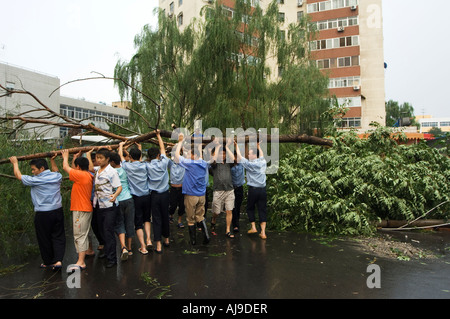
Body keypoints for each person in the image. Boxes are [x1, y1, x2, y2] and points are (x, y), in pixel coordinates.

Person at [9, 155, 65, 270]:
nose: (33, 172)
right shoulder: (57, 177)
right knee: (58, 236)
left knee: (44, 238)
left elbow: (18, 176)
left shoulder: (36, 180)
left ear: (42, 169)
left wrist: (15, 163)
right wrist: (52, 160)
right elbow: (56, 170)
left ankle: (48, 262)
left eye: (34, 169)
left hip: (43, 214)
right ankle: (58, 261)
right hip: (57, 211)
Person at [60, 150, 93, 271]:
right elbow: (73, 169)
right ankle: (84, 256)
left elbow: (65, 167)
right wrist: (74, 158)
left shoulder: (81, 175)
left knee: (80, 235)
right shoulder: (86, 174)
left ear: (78, 167)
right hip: (82, 208)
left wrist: (65, 156)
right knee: (82, 234)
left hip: (81, 209)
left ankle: (81, 262)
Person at [174, 133, 210, 245]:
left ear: (194, 155)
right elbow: (198, 156)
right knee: (200, 216)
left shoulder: (190, 164)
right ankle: (206, 235)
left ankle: (193, 241)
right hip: (201, 195)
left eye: (190, 154)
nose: (188, 156)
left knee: (190, 219)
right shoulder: (204, 163)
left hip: (191, 196)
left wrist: (180, 142)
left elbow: (176, 156)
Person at [118, 142, 151, 255]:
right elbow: (139, 160)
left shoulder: (127, 166)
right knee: (147, 219)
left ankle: (143, 246)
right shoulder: (144, 165)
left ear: (130, 157)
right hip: (147, 196)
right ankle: (149, 240)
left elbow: (121, 156)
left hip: (136, 198)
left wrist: (121, 146)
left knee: (138, 223)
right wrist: (140, 148)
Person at [92, 149, 122, 268]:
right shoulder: (97, 170)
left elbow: (118, 187)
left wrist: (114, 196)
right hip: (99, 204)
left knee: (108, 231)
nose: (98, 160)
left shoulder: (112, 172)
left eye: (101, 158)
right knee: (101, 230)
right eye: (97, 158)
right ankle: (106, 251)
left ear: (107, 159)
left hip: (109, 205)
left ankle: (112, 259)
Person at [234, 141, 268, 239]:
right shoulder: (263, 162)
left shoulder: (249, 164)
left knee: (250, 207)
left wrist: (236, 146)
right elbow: (261, 155)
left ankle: (253, 227)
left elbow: (239, 157)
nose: (248, 155)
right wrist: (259, 146)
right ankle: (263, 232)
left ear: (253, 155)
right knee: (262, 209)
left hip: (253, 190)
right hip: (262, 190)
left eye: (249, 153)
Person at [146, 130, 171, 253]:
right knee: (165, 216)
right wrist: (158, 136)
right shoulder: (164, 163)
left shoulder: (148, 166)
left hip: (154, 196)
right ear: (157, 156)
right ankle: (166, 239)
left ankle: (158, 244)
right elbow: (162, 149)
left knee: (156, 219)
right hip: (165, 195)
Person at [109, 152, 135, 261]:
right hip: (128, 199)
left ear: (113, 162)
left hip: (118, 200)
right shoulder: (125, 168)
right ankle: (129, 249)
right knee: (129, 223)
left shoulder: (111, 172)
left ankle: (123, 246)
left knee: (120, 224)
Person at [210, 139, 236, 238]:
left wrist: (227, 147)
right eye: (221, 154)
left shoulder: (229, 163)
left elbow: (233, 158)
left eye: (224, 154)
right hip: (218, 190)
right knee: (216, 211)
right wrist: (217, 146)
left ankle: (228, 230)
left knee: (229, 210)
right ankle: (213, 220)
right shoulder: (214, 164)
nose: (223, 155)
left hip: (229, 190)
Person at [168, 156, 185, 228]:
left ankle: (179, 221)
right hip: (173, 189)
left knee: (182, 206)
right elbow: (164, 157)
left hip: (182, 189)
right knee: (173, 205)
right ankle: (171, 215)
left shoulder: (184, 165)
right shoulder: (171, 164)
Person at [231, 154, 245, 233]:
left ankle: (236, 222)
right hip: (232, 188)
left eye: (237, 157)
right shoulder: (230, 165)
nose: (236, 158)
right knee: (233, 207)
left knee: (238, 206)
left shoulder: (242, 164)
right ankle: (235, 225)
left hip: (239, 188)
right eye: (234, 157)